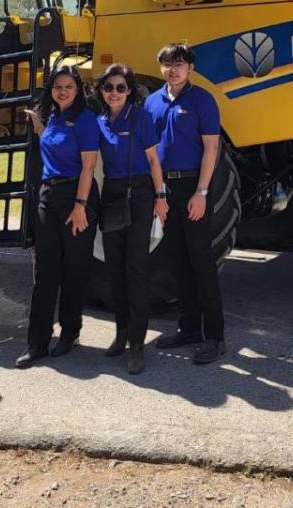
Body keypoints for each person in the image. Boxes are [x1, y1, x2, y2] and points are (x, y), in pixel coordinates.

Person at [144, 43, 226, 364]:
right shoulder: (152, 103)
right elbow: (150, 153)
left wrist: (202, 193)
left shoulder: (203, 100)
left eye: (179, 63)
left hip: (193, 187)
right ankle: (189, 328)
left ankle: (215, 337)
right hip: (165, 189)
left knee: (201, 263)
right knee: (177, 261)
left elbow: (211, 149)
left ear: (190, 67)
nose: (172, 69)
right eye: (166, 64)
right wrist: (158, 193)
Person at [15, 66, 100, 368]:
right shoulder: (52, 118)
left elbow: (88, 167)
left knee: (74, 269)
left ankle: (70, 333)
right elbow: (48, 145)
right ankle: (36, 342)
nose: (62, 91)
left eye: (68, 86)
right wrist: (38, 123)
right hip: (48, 197)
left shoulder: (86, 120)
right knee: (45, 272)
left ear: (78, 90)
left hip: (77, 197)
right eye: (57, 86)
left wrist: (80, 206)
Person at [95, 63, 168, 375]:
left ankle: (137, 343)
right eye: (109, 87)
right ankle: (121, 334)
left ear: (130, 91)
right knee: (114, 269)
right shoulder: (99, 122)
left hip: (139, 194)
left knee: (136, 269)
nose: (114, 93)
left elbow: (153, 160)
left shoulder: (140, 117)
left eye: (120, 87)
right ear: (101, 91)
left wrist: (160, 197)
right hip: (111, 195)